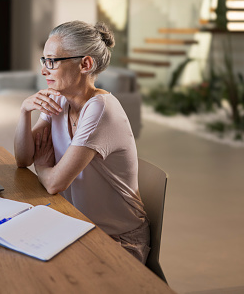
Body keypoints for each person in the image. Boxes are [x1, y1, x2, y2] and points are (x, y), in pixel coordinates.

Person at [14, 20, 150, 263]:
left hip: (118, 240)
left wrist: (44, 167)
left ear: (85, 64)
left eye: (52, 61)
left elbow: (55, 183)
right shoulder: (59, 100)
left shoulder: (100, 109)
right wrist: (25, 111)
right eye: (44, 60)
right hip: (76, 226)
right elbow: (23, 159)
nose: (44, 70)